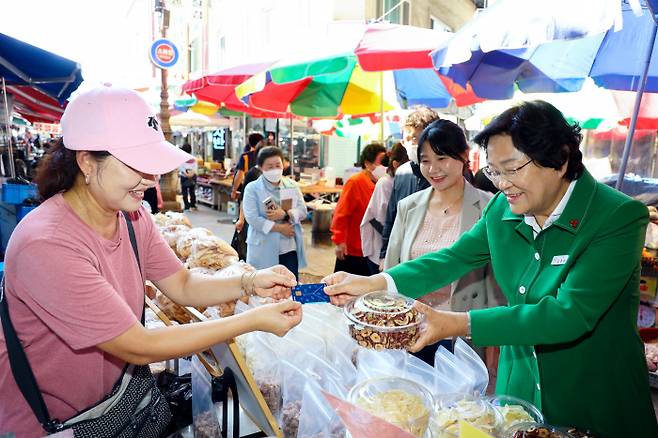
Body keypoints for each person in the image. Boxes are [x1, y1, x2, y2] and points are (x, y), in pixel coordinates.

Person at [322, 100, 658, 437]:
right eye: (495, 171)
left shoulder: (617, 217)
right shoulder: (503, 209)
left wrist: (454, 323)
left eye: (512, 168)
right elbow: (452, 258)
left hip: (592, 393)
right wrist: (375, 284)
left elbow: (569, 314)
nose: (502, 183)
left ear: (560, 159)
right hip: (522, 392)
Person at [0, 85, 302, 437]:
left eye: (153, 165)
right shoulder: (46, 243)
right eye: (137, 165)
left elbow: (183, 285)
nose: (151, 179)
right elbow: (140, 344)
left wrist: (249, 282)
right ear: (86, 161)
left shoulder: (131, 217)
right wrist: (252, 320)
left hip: (114, 403)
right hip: (51, 423)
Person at [384, 120, 504, 366]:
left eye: (442, 158)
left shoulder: (488, 206)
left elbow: (499, 277)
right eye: (425, 160)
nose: (433, 169)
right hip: (411, 330)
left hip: (460, 334)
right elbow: (392, 265)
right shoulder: (409, 206)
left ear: (463, 156)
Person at [379, 107, 440, 263]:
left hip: (435, 255)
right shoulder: (402, 173)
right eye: (408, 139)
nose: (413, 144)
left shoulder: (446, 173)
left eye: (417, 138)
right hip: (403, 256)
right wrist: (384, 254)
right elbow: (391, 216)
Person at [243, 146, 307, 280]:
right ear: (260, 167)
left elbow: (303, 211)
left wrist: (285, 214)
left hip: (289, 247)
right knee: (264, 288)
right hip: (263, 247)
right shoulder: (253, 188)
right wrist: (280, 228)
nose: (275, 169)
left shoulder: (291, 185)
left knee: (289, 285)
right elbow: (252, 219)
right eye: (269, 166)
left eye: (278, 165)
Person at [331, 143, 387, 276]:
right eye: (380, 163)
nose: (384, 167)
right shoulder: (355, 182)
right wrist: (339, 240)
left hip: (374, 248)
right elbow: (341, 213)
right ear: (368, 164)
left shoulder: (384, 183)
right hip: (354, 249)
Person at [360, 142, 408, 275]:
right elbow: (380, 220)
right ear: (396, 164)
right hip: (379, 250)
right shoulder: (385, 183)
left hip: (392, 248)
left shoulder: (399, 181)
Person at [231, 133, 264, 201]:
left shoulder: (245, 156)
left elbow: (240, 174)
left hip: (248, 190)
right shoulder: (265, 156)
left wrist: (234, 191)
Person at [179, 143, 198, 211]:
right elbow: (195, 168)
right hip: (192, 177)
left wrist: (186, 174)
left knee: (184, 192)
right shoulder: (193, 158)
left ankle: (186, 206)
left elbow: (180, 168)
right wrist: (191, 174)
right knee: (192, 191)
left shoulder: (181, 158)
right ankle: (192, 205)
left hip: (184, 177)